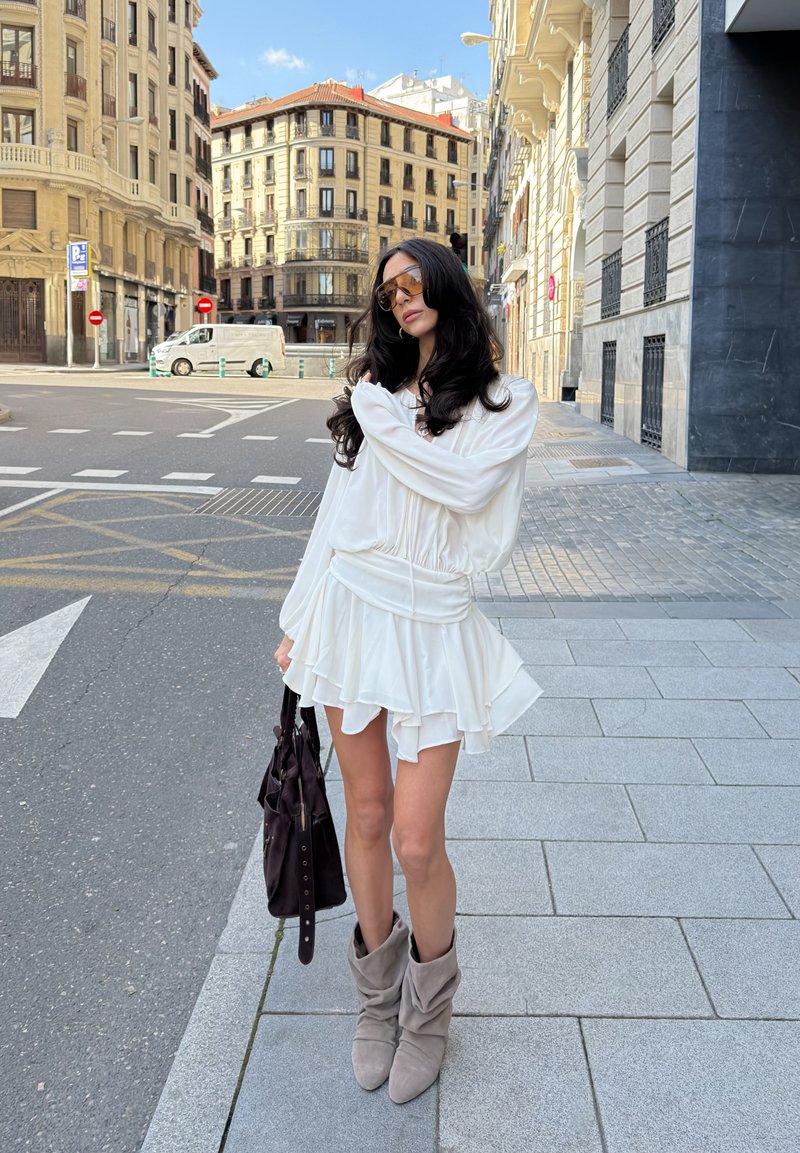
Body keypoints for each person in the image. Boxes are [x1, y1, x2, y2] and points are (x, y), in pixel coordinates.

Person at [274, 238, 541, 1104]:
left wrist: (387, 423)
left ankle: (431, 1007)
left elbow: (464, 494)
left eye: (413, 278)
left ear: (447, 283)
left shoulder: (505, 403)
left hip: (432, 624)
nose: (401, 296)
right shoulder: (374, 398)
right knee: (367, 813)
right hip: (352, 614)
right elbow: (335, 514)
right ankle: (376, 1001)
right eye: (388, 289)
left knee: (419, 838)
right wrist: (298, 620)